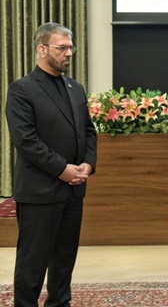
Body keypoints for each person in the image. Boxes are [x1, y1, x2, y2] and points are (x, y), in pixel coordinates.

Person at [5, 23, 98, 307]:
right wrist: (62, 169)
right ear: (42, 49)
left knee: (65, 259)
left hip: (72, 191)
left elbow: (88, 131)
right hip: (40, 192)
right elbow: (26, 141)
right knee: (33, 262)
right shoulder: (22, 90)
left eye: (70, 47)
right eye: (62, 48)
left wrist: (87, 164)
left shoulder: (75, 88)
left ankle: (60, 303)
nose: (69, 53)